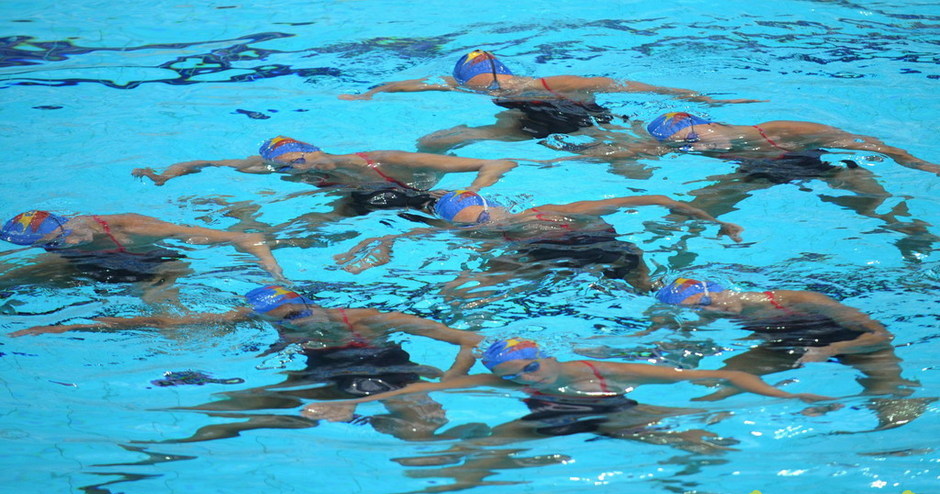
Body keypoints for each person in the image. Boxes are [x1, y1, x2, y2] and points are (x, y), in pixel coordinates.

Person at [11, 284, 484, 442]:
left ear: (310, 303)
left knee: (417, 428)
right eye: (284, 325)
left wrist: (449, 380)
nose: (297, 328)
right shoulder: (263, 323)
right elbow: (159, 323)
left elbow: (470, 338)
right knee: (230, 410)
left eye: (298, 315)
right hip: (319, 377)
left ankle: (353, 417)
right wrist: (63, 329)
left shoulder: (372, 320)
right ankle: (167, 445)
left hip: (387, 371)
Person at [542, 112, 940, 259]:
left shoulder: (785, 130)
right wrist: (570, 155)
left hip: (820, 166)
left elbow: (871, 145)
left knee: (877, 206)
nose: (695, 149)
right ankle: (674, 255)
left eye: (696, 140)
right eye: (685, 146)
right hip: (753, 172)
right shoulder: (695, 146)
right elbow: (634, 152)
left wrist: (921, 164)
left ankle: (911, 234)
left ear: (709, 123)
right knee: (690, 212)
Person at [301, 337, 831, 438]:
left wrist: (787, 397)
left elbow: (725, 376)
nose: (521, 378)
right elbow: (412, 394)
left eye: (528, 370)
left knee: (698, 439)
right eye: (511, 376)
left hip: (622, 413)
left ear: (546, 358)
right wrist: (351, 404)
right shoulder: (505, 378)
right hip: (551, 421)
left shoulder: (600, 372)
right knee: (473, 455)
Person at [335, 189, 744, 294]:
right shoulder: (552, 211)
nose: (482, 229)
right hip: (606, 252)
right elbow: (655, 199)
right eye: (473, 227)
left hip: (560, 257)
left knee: (463, 289)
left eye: (480, 221)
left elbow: (654, 199)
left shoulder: (556, 211)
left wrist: (719, 222)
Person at [339, 49, 763, 151]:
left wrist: (697, 97)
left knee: (629, 157)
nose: (492, 90)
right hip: (526, 123)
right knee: (433, 143)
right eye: (485, 86)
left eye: (495, 82)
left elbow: (624, 86)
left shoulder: (550, 81)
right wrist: (369, 92)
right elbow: (413, 85)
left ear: (506, 74)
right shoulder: (467, 87)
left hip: (580, 114)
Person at [651, 277, 920, 405]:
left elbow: (882, 335)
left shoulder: (798, 300)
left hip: (854, 343)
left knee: (890, 399)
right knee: (711, 385)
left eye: (707, 301)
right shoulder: (724, 311)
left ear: (722, 290)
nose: (710, 311)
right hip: (788, 346)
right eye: (699, 310)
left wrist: (831, 349)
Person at [0, 210, 284, 304]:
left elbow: (245, 238)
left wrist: (270, 265)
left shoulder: (132, 227)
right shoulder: (61, 241)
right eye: (54, 244)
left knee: (159, 307)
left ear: (67, 224)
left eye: (64, 238)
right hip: (94, 264)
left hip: (152, 265)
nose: (69, 243)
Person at [132, 135, 518, 191]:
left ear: (315, 149)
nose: (298, 169)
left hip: (413, 191)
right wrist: (164, 176)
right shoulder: (291, 169)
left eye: (301, 160)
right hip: (364, 198)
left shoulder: (388, 159)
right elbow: (204, 161)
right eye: (286, 168)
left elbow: (500, 162)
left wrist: (470, 194)